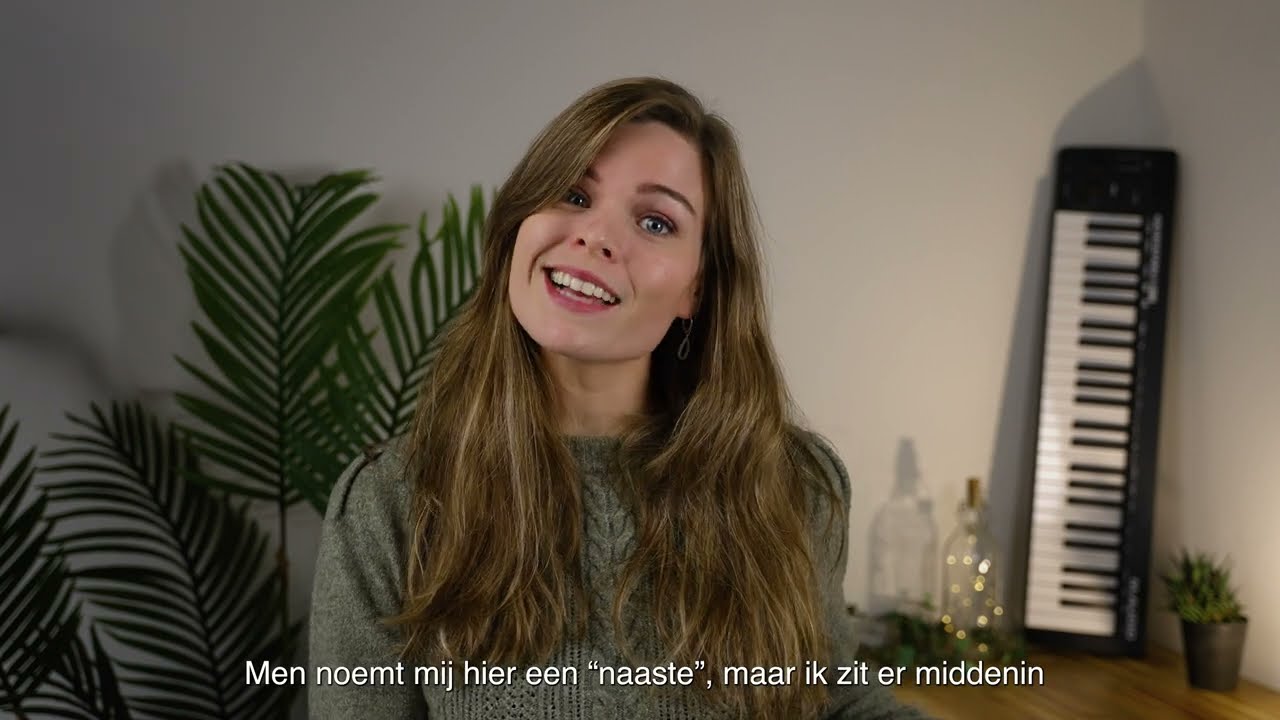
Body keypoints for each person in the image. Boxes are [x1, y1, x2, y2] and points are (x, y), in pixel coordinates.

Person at [308, 76, 930, 720]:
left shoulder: (793, 485)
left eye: (656, 221)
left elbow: (838, 701)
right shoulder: (391, 504)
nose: (596, 236)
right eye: (574, 194)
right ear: (520, 224)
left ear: (696, 288)